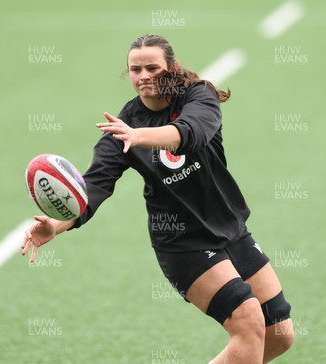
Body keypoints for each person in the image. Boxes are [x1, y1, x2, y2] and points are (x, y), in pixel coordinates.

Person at [21, 34, 294, 364]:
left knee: (279, 333)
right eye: (135, 69)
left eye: (152, 67)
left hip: (230, 228)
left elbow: (191, 134)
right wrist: (57, 223)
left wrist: (139, 137)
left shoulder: (198, 95)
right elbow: (93, 187)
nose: (143, 76)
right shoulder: (123, 128)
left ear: (172, 68)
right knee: (249, 323)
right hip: (183, 245)